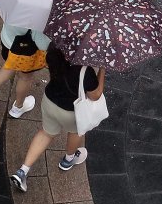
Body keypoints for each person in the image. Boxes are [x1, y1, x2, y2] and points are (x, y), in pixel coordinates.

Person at [10, 47, 104, 192]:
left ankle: (23, 170)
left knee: (46, 133)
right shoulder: (85, 72)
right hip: (70, 111)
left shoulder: (53, 51)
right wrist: (102, 70)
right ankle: (68, 159)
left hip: (49, 101)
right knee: (76, 132)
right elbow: (95, 95)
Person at [0, 25, 50, 119]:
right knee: (25, 78)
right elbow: (43, 44)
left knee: (10, 64)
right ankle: (17, 108)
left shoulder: (18, 10)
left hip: (9, 40)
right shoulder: (50, 14)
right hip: (29, 51)